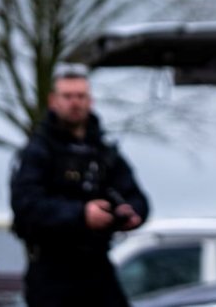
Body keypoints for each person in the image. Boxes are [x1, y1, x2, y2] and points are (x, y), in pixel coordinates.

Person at [10, 66, 149, 306]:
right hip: (52, 269)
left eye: (81, 96)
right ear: (53, 101)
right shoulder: (38, 151)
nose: (75, 103)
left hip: (97, 266)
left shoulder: (103, 152)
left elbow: (137, 199)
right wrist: (81, 215)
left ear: (90, 101)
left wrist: (128, 213)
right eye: (68, 96)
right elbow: (25, 205)